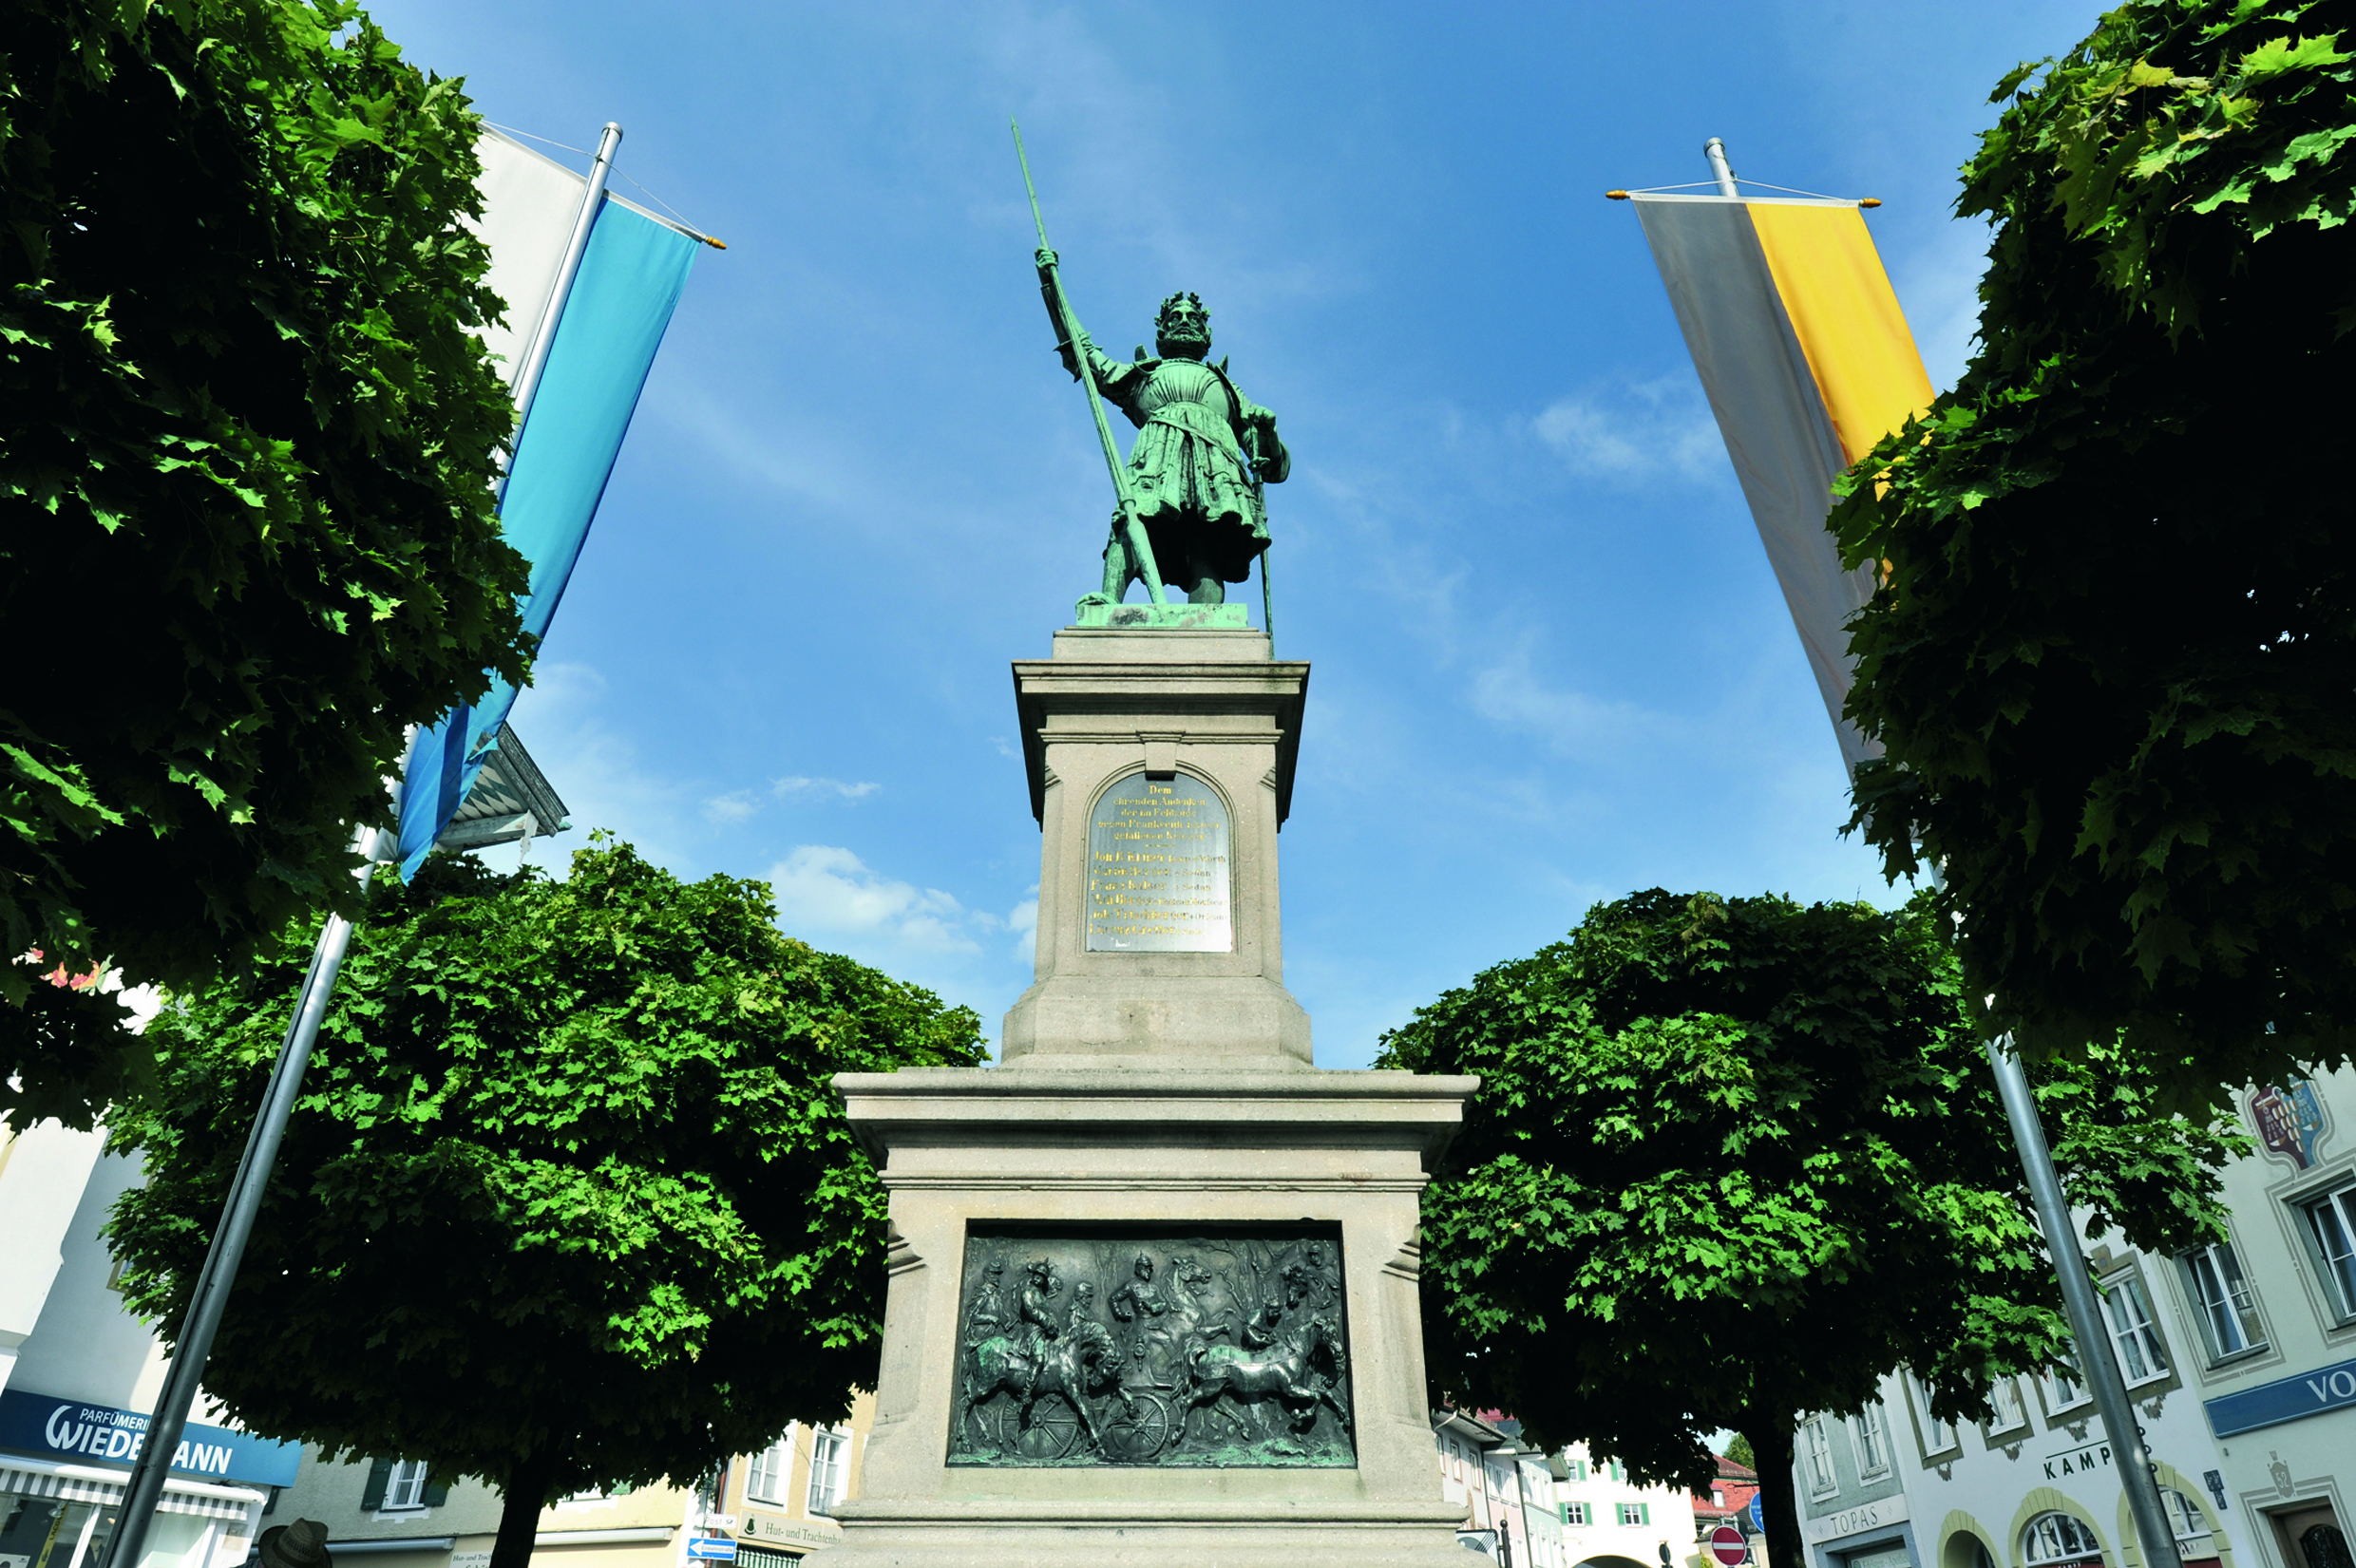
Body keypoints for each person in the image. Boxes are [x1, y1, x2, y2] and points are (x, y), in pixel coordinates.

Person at [1039, 266, 1290, 606]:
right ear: (1161, 330)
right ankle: (1110, 600)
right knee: (1132, 519)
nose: (1184, 320)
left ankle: (1205, 625)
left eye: (1193, 317)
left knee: (1208, 538)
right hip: (1157, 457)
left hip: (1216, 463)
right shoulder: (1142, 376)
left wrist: (1268, 432)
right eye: (1175, 316)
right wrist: (1051, 288)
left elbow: (1273, 469)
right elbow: (1085, 356)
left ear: (1207, 334)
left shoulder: (1228, 391)